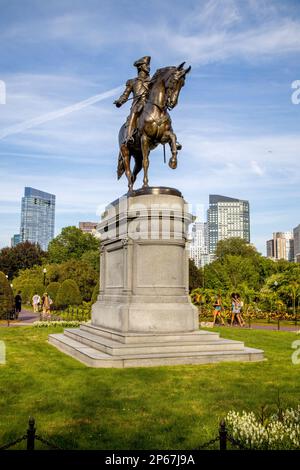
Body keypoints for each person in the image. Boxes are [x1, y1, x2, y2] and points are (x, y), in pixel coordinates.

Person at [114, 56, 151, 145]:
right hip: (138, 104)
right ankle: (129, 135)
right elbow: (125, 95)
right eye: (146, 65)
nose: (148, 67)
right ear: (140, 67)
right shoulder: (132, 82)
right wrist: (120, 101)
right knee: (133, 114)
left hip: (150, 104)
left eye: (148, 65)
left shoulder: (152, 81)